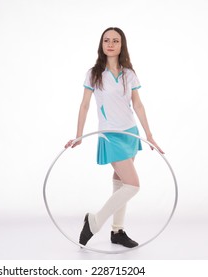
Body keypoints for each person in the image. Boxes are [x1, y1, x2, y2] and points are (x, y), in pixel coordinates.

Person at [65, 27, 164, 248]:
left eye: (115, 40)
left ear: (122, 45)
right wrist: (79, 135)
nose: (110, 44)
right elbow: (84, 105)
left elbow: (137, 104)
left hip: (130, 132)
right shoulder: (94, 74)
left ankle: (117, 232)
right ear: (102, 44)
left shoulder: (129, 73)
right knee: (133, 185)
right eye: (106, 40)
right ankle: (94, 221)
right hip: (111, 135)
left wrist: (149, 135)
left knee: (121, 183)